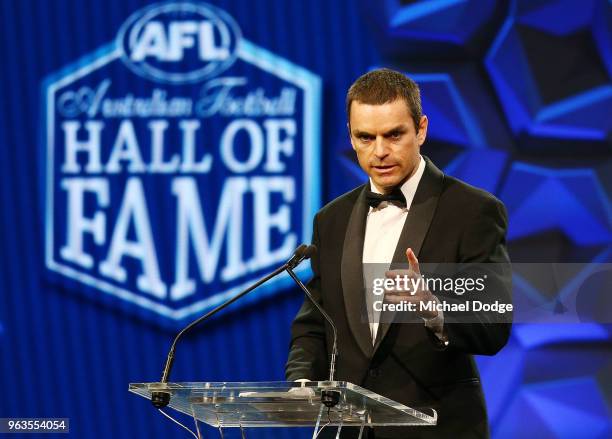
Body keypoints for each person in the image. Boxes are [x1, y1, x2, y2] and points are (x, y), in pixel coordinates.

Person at [285, 68, 512, 438]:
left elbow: (494, 327)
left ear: (420, 129)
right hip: (346, 429)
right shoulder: (331, 219)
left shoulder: (473, 211)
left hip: (437, 429)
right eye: (365, 137)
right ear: (351, 136)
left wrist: (434, 309)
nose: (380, 151)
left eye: (394, 134)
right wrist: (301, 381)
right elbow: (315, 323)